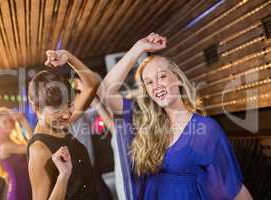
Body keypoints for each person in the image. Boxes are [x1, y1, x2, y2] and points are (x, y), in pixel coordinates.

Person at [97, 33, 253, 200]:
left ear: (178, 79)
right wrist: (138, 47)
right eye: (149, 82)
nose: (156, 86)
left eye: (162, 76)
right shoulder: (144, 121)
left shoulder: (206, 129)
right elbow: (104, 90)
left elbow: (232, 188)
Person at [27, 49, 100, 200]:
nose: (67, 114)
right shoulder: (39, 149)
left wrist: (69, 57)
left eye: (69, 104)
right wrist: (63, 177)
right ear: (36, 109)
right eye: (57, 110)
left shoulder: (61, 123)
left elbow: (92, 85)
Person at [0, 107, 33, 200]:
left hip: (24, 191)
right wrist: (23, 120)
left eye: (10, 120)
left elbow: (8, 178)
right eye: (4, 122)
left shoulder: (12, 142)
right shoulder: (5, 146)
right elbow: (33, 147)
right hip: (20, 194)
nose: (9, 124)